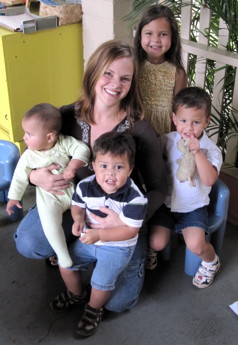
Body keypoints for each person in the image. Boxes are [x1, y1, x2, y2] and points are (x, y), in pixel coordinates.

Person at [14, 40, 167, 314]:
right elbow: (32, 149)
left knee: (119, 303)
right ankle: (77, 244)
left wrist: (129, 220)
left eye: (125, 78)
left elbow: (158, 187)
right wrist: (36, 176)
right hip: (73, 204)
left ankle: (97, 251)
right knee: (29, 242)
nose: (115, 84)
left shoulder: (139, 129)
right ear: (93, 72)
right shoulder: (66, 115)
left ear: (132, 84)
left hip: (120, 216)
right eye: (108, 73)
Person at [51, 131, 148, 337]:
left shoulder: (135, 198)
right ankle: (76, 295)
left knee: (101, 282)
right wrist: (78, 218)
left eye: (118, 167)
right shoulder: (86, 185)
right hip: (90, 238)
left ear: (130, 170)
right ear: (93, 166)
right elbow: (77, 205)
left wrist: (100, 236)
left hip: (118, 246)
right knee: (66, 263)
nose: (110, 174)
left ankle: (93, 309)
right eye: (104, 166)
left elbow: (130, 230)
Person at [148, 86, 223, 288]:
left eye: (196, 122)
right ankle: (153, 251)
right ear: (174, 118)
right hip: (167, 203)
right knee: (156, 242)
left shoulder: (211, 150)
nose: (188, 128)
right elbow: (153, 158)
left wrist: (199, 154)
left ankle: (211, 261)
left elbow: (209, 180)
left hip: (193, 207)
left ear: (206, 122)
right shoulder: (168, 140)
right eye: (183, 121)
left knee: (197, 246)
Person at [7, 103, 90, 268]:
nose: (24, 137)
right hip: (50, 198)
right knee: (50, 223)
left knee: (81, 217)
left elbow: (82, 149)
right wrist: (13, 198)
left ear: (50, 137)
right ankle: (62, 254)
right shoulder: (29, 156)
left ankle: (85, 243)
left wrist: (73, 165)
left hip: (72, 191)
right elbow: (19, 176)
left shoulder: (64, 143)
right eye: (25, 133)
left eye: (29, 134)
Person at [134, 4, 187, 136]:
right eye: (149, 33)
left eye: (163, 34)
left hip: (167, 132)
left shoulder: (177, 73)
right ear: (140, 35)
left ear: (173, 38)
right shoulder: (133, 67)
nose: (156, 40)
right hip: (138, 128)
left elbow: (179, 110)